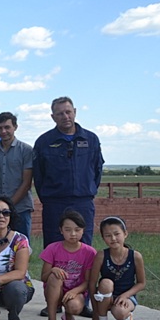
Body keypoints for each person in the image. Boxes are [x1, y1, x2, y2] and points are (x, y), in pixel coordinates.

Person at [33, 96, 104, 247]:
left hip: (83, 202)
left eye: (68, 112)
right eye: (60, 114)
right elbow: (39, 176)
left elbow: (97, 170)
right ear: (53, 117)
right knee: (54, 246)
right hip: (54, 203)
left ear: (75, 112)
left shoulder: (91, 139)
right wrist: (50, 197)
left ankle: (84, 272)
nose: (65, 117)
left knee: (83, 247)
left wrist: (86, 190)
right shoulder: (44, 142)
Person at [40, 210, 97, 320]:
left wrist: (74, 291)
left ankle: (69, 316)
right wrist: (52, 270)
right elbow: (43, 277)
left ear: (83, 230)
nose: (73, 234)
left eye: (77, 230)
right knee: (55, 277)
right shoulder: (52, 248)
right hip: (54, 290)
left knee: (74, 306)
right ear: (61, 230)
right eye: (67, 230)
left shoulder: (89, 252)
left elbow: (88, 281)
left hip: (76, 291)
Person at [89, 216, 146, 320]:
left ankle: (126, 317)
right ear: (103, 238)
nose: (113, 239)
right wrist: (95, 312)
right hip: (106, 296)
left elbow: (141, 283)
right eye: (108, 235)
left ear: (125, 234)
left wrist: (126, 295)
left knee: (119, 313)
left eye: (117, 234)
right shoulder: (101, 256)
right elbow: (92, 284)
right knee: (106, 283)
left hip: (126, 297)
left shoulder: (135, 256)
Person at [0, 112, 34, 239]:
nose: (3, 131)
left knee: (21, 247)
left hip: (21, 209)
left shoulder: (26, 150)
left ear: (15, 127)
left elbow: (26, 182)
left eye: (7, 127)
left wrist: (9, 205)